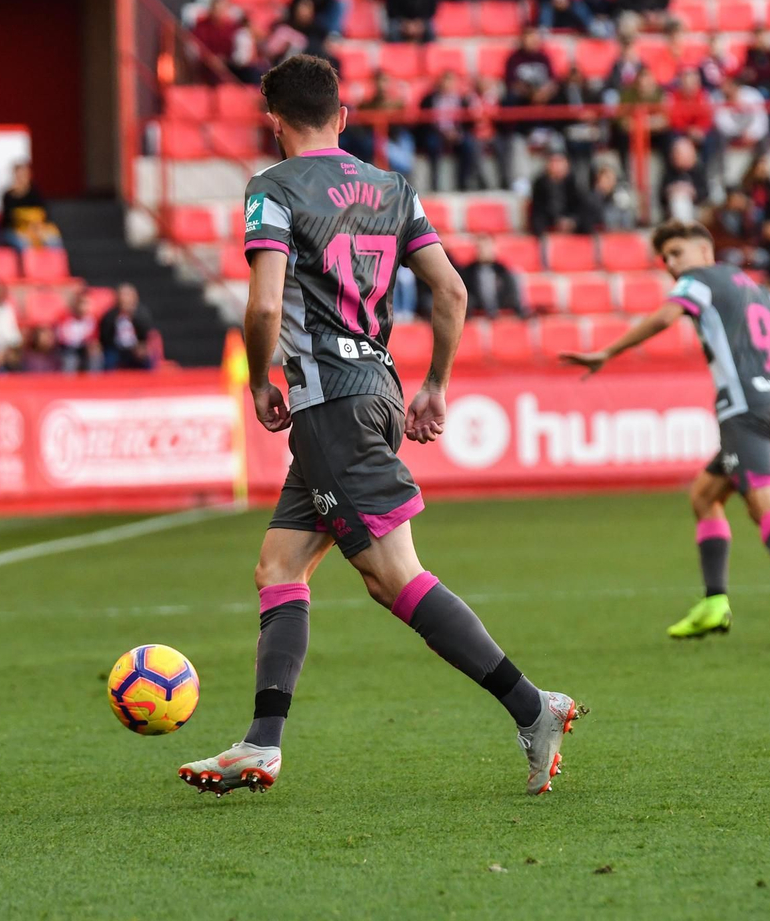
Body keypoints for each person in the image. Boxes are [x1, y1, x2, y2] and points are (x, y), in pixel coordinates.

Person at [180, 54, 580, 799]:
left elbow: (265, 306)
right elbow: (452, 290)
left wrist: (263, 376)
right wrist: (434, 385)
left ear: (274, 121)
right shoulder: (394, 188)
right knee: (279, 566)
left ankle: (534, 706)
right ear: (344, 115)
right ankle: (262, 744)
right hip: (376, 392)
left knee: (392, 574)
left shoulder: (272, 187)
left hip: (329, 404)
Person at [561, 220, 770, 646]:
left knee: (763, 505)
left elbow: (666, 316)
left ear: (705, 250)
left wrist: (608, 352)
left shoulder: (699, 281)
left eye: (677, 252)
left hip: (744, 412)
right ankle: (714, 603)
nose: (671, 264)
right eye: (665, 258)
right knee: (705, 495)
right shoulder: (752, 288)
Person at [458, 235, 525, 318]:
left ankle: (520, 310)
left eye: (487, 247)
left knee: (516, 274)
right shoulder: (469, 270)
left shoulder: (502, 268)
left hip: (500, 299)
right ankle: (491, 312)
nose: (484, 251)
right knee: (485, 276)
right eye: (481, 248)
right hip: (478, 302)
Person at [527, 149, 588, 236]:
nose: (556, 165)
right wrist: (557, 221)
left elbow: (579, 206)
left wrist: (572, 221)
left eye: (559, 162)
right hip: (548, 221)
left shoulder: (573, 182)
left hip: (569, 220)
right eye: (553, 162)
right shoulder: (540, 182)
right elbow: (539, 209)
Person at [98, 283, 157, 370]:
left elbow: (146, 333)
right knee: (108, 359)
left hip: (135, 348)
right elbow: (105, 336)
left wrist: (141, 346)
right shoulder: (110, 315)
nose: (125, 299)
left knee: (147, 358)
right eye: (122, 295)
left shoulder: (142, 314)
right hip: (116, 348)